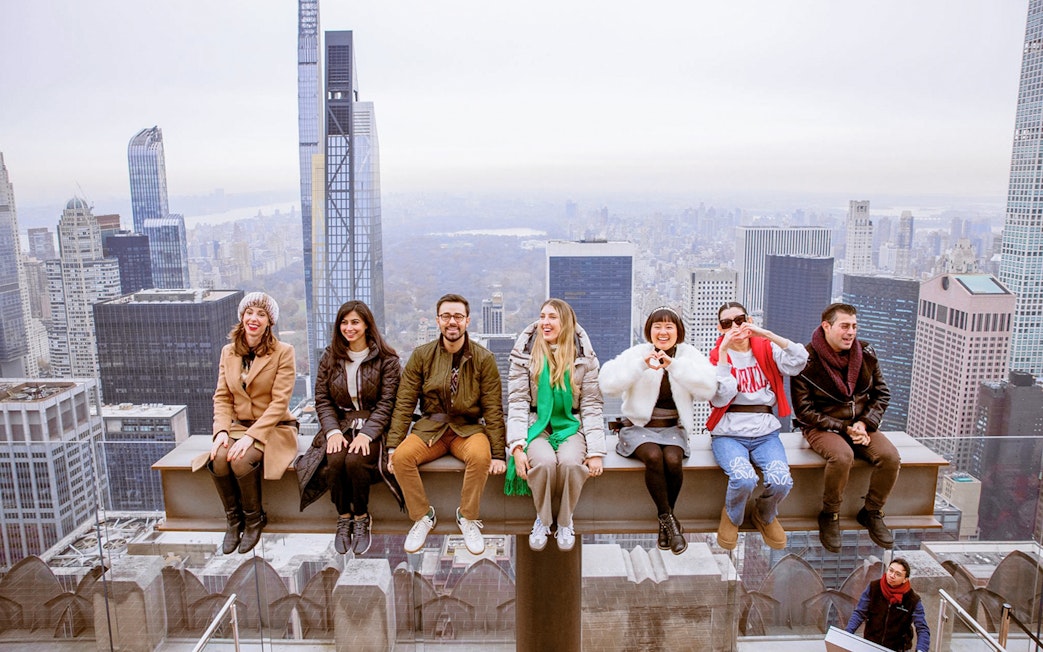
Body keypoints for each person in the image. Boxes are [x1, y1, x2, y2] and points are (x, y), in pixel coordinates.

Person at [387, 293, 507, 555]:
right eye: (446, 316)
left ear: (467, 321)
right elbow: (404, 403)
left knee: (480, 456)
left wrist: (498, 453)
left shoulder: (483, 359)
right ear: (437, 320)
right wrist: (393, 445)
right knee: (402, 458)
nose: (452, 322)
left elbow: (493, 409)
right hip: (432, 427)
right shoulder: (421, 356)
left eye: (458, 317)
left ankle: (467, 516)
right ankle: (422, 516)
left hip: (468, 428)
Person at [600, 306, 717, 555]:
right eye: (657, 326)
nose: (663, 332)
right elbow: (607, 383)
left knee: (673, 460)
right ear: (649, 331)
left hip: (672, 427)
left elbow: (708, 387)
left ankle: (666, 523)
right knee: (654, 456)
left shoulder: (688, 355)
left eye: (669, 326)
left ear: (678, 331)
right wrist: (640, 367)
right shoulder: (638, 353)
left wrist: (674, 366)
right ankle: (670, 524)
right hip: (638, 427)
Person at [792, 303, 900, 553]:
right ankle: (830, 514)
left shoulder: (866, 354)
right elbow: (804, 411)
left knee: (890, 457)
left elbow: (881, 393)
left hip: (861, 424)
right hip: (822, 425)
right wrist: (843, 428)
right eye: (844, 326)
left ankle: (872, 511)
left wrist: (864, 423)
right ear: (827, 327)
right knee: (842, 457)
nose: (850, 332)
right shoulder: (806, 362)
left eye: (854, 326)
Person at [504, 299, 605, 552]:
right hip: (536, 423)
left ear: (566, 323)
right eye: (542, 316)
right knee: (545, 463)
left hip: (571, 424)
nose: (545, 323)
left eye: (552, 317)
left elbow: (591, 405)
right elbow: (517, 401)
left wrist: (595, 452)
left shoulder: (585, 358)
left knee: (571, 464)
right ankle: (543, 519)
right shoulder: (524, 354)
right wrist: (517, 446)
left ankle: (565, 520)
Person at [707, 302, 807, 551]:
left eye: (739, 320)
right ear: (720, 328)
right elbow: (720, 397)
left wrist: (767, 334)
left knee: (782, 480)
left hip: (765, 432)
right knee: (743, 478)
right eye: (727, 324)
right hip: (728, 433)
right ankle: (732, 516)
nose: (735, 327)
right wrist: (723, 355)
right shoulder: (714, 358)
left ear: (748, 320)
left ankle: (765, 514)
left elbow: (799, 361)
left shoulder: (767, 349)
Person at [208, 292, 298, 554]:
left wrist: (252, 436)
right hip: (237, 425)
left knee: (241, 459)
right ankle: (233, 520)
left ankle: (254, 518)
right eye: (249, 313)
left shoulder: (283, 352)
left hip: (273, 427)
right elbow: (222, 397)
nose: (254, 318)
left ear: (270, 321)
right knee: (219, 458)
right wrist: (221, 431)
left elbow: (279, 403)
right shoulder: (229, 352)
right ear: (242, 317)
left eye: (261, 314)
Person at [311, 301, 404, 555]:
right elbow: (322, 399)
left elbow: (389, 402)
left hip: (375, 424)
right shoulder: (330, 357)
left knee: (355, 461)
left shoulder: (387, 359)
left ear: (366, 325)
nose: (348, 328)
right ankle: (344, 516)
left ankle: (361, 517)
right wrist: (332, 431)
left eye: (354, 322)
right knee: (335, 460)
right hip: (341, 423)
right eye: (344, 322)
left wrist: (368, 433)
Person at [846, 558, 931, 652]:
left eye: (898, 574)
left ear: (905, 579)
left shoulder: (912, 599)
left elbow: (922, 629)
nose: (892, 576)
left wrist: (921, 650)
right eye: (891, 570)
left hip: (898, 648)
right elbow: (859, 613)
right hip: (871, 645)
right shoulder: (874, 588)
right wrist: (847, 634)